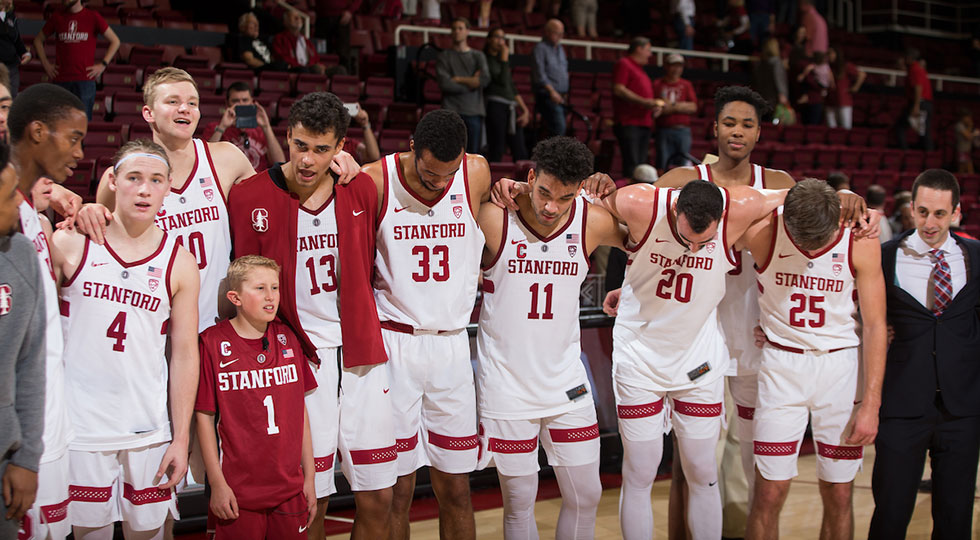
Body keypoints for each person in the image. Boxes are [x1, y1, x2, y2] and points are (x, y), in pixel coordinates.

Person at [228, 92, 394, 540]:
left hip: (361, 355)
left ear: (341, 147)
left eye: (322, 149)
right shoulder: (249, 197)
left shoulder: (360, 188)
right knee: (310, 498)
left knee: (379, 495)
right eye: (301, 145)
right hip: (298, 360)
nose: (308, 159)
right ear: (287, 136)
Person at [53, 140, 200, 539]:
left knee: (152, 534)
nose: (144, 189)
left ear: (169, 187)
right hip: (79, 430)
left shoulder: (180, 261)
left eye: (155, 180)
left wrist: (180, 436)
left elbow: (185, 355)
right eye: (134, 178)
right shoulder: (69, 243)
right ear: (113, 181)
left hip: (148, 430)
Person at [476, 136, 622, 538]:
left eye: (565, 197)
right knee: (520, 501)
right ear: (529, 177)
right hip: (508, 384)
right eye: (543, 192)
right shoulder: (493, 218)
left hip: (566, 382)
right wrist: (495, 185)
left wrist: (612, 194)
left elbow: (643, 238)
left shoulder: (590, 220)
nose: (551, 207)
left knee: (587, 493)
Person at [361, 109, 495, 540]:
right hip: (394, 345)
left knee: (456, 486)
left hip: (452, 347)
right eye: (431, 173)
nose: (440, 182)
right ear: (412, 148)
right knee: (398, 489)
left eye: (447, 173)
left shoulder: (474, 173)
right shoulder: (376, 178)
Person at [741, 179, 886, 540]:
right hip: (781, 366)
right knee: (769, 490)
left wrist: (871, 403)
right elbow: (728, 203)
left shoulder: (860, 238)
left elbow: (875, 325)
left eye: (815, 241)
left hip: (838, 369)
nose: (806, 248)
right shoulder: (763, 231)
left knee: (838, 492)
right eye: (800, 238)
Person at [868, 170, 980, 539]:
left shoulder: (976, 257)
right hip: (902, 405)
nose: (930, 223)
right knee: (891, 512)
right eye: (923, 212)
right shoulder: (884, 257)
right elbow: (862, 318)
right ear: (910, 209)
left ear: (956, 213)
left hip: (962, 409)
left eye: (940, 214)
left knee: (955, 515)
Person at [8, 83, 87, 540]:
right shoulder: (7, 217)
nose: (79, 152)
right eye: (73, 138)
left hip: (46, 415)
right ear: (38, 131)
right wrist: (16, 450)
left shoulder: (30, 214)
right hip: (17, 433)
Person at [195, 255, 317, 537]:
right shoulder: (212, 342)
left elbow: (301, 415)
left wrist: (310, 478)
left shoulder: (288, 338)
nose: (270, 297)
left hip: (289, 489)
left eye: (274, 288)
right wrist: (217, 483)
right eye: (259, 288)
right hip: (239, 494)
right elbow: (204, 417)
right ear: (234, 298)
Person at [0, 144, 46, 539]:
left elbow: (30, 366)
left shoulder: (20, 254)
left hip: (5, 462)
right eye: (7, 197)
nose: (19, 210)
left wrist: (27, 458)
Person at [33, 0, 120, 120]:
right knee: (59, 123)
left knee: (81, 124)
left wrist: (103, 64)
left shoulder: (92, 16)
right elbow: (38, 40)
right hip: (61, 79)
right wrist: (46, 65)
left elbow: (115, 41)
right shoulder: (57, 17)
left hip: (84, 81)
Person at [202, 82, 286, 172]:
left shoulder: (260, 130)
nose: (241, 104)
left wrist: (266, 127)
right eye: (235, 101)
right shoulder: (215, 127)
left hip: (257, 181)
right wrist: (222, 127)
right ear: (227, 104)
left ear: (252, 102)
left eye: (245, 100)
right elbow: (206, 159)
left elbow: (280, 163)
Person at [437, 18, 490, 155]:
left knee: (472, 156)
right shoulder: (444, 56)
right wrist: (472, 83)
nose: (457, 31)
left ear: (467, 31)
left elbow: (484, 80)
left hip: (473, 111)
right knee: (449, 154)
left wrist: (459, 79)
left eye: (460, 28)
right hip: (451, 111)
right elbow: (445, 84)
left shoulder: (478, 56)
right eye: (454, 28)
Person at [612, 37, 661, 179]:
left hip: (643, 122)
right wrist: (645, 102)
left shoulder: (640, 70)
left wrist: (651, 107)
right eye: (648, 50)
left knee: (640, 165)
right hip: (630, 122)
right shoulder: (625, 64)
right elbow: (619, 89)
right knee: (632, 165)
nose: (650, 54)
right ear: (639, 49)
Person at [484, 26, 530, 163]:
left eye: (503, 38)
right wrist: (504, 58)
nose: (501, 41)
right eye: (497, 37)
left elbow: (511, 87)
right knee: (497, 147)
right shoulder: (485, 59)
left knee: (520, 149)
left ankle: (523, 182)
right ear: (489, 40)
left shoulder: (502, 61)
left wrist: (525, 110)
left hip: (511, 106)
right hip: (495, 105)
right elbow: (502, 81)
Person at [652, 53, 697, 171]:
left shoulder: (686, 84)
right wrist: (681, 107)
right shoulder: (657, 84)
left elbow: (693, 107)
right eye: (673, 65)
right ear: (666, 66)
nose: (676, 69)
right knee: (662, 162)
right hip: (663, 129)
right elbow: (655, 106)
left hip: (683, 129)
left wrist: (671, 106)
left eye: (679, 66)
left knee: (683, 164)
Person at [532, 19, 569, 137]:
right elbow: (539, 74)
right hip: (548, 96)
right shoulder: (540, 48)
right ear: (547, 32)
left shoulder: (560, 49)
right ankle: (554, 155)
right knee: (558, 127)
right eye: (557, 33)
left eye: (562, 33)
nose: (560, 36)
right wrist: (552, 91)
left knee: (561, 128)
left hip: (561, 96)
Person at [896, 48, 933, 151]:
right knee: (922, 131)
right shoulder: (915, 69)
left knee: (921, 131)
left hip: (920, 103)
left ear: (909, 58)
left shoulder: (915, 69)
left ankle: (908, 154)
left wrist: (916, 106)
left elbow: (918, 87)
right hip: (921, 103)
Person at [273, 9, 328, 75]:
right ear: (285, 22)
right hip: (294, 69)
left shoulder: (305, 40)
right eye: (293, 17)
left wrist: (320, 66)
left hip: (310, 68)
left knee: (339, 70)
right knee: (307, 69)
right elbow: (281, 58)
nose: (298, 19)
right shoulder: (280, 38)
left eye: (299, 17)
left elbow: (316, 58)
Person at [314, 0, 359, 74]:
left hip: (342, 17)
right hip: (322, 18)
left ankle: (345, 82)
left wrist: (350, 10)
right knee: (321, 54)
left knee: (343, 54)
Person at [824, 47, 865, 130]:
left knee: (845, 128)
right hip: (830, 100)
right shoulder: (828, 67)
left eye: (831, 53)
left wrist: (855, 87)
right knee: (831, 129)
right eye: (827, 54)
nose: (829, 56)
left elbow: (862, 75)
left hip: (843, 100)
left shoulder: (846, 66)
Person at [753, 37, 790, 115]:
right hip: (774, 99)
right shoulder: (776, 63)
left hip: (761, 97)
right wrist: (782, 94)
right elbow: (779, 80)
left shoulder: (759, 64)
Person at [0, 0, 30, 96]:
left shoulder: (11, 17)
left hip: (12, 67)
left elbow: (16, 40)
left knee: (11, 99)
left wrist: (25, 53)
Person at [954, 108, 979, 174]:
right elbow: (968, 137)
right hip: (962, 151)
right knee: (963, 170)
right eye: (968, 117)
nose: (969, 119)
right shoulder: (959, 125)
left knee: (968, 170)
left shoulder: (965, 126)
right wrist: (971, 128)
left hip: (967, 151)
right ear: (963, 117)